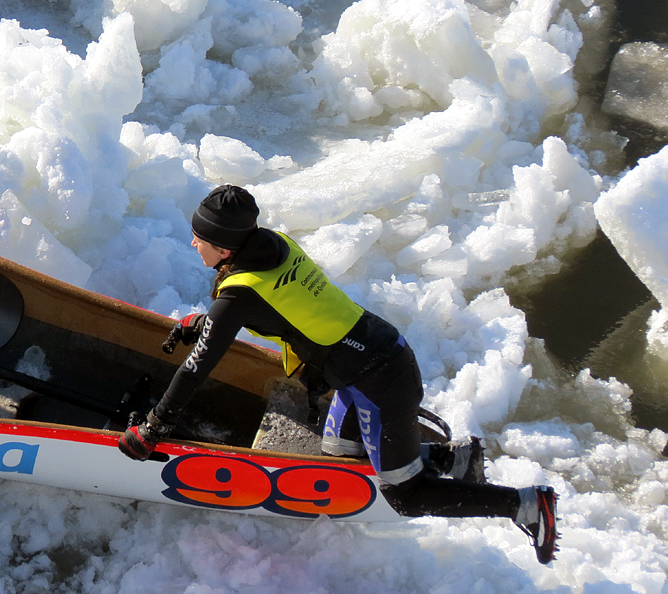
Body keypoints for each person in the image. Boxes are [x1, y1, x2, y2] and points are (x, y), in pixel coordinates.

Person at [119, 185, 559, 565]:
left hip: (380, 381)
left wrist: (153, 429)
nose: (193, 244)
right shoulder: (271, 246)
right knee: (340, 450)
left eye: (200, 238)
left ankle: (524, 505)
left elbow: (197, 368)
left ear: (225, 249)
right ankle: (454, 458)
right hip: (374, 356)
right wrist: (207, 323)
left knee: (406, 495)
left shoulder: (239, 295)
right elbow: (288, 310)